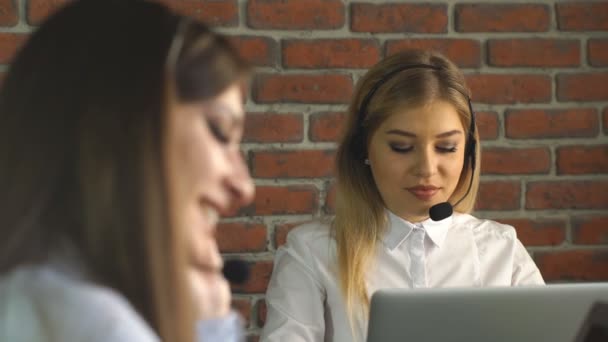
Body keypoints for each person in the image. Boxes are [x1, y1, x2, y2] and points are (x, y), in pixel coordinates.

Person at [0, 0, 254, 341]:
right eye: (220, 130)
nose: (244, 186)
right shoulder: (91, 321)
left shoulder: (40, 296)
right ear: (126, 128)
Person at [261, 50, 544, 342]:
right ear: (363, 150)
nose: (427, 169)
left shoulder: (502, 250)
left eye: (446, 147)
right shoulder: (313, 253)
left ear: (468, 151)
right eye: (401, 147)